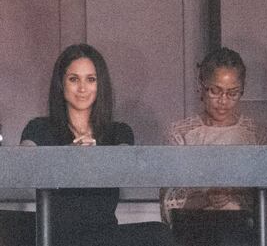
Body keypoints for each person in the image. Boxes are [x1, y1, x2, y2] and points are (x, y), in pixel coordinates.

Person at [19, 44, 174, 246]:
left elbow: (126, 163)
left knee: (159, 234)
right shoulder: (39, 128)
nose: (82, 88)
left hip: (105, 235)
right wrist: (67, 156)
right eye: (74, 79)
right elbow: (22, 164)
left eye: (90, 79)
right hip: (57, 236)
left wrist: (97, 158)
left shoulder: (118, 131)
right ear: (61, 83)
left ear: (100, 85)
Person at [160, 47, 267, 245]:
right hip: (194, 229)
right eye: (215, 91)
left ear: (242, 90)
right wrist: (207, 198)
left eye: (232, 93)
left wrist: (233, 195)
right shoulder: (180, 133)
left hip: (246, 230)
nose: (223, 101)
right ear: (201, 86)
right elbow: (169, 203)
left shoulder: (258, 135)